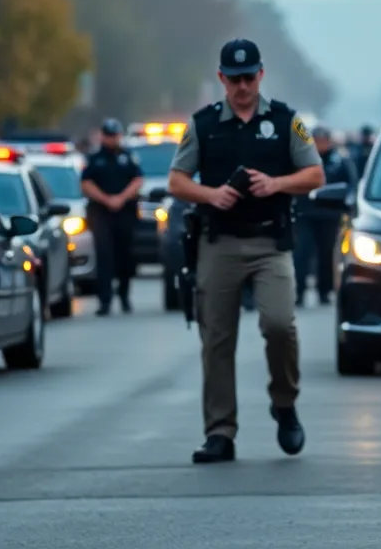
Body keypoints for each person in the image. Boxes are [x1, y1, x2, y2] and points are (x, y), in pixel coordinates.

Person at [166, 38, 326, 464]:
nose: (242, 86)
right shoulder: (203, 124)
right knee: (216, 339)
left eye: (249, 77)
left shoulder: (285, 120)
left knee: (279, 325)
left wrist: (276, 184)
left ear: (261, 74)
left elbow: (314, 174)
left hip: (269, 243)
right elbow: (177, 181)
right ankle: (220, 431)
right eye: (233, 78)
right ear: (221, 78)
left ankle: (285, 402)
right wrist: (211, 194)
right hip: (218, 242)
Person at [80, 118, 143, 315]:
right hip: (101, 213)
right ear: (102, 136)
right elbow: (86, 183)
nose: (111, 139)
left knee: (125, 255)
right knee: (104, 255)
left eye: (114, 135)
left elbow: (138, 179)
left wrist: (121, 198)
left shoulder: (128, 157)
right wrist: (107, 199)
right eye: (108, 135)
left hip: (124, 213)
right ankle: (104, 300)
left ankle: (124, 296)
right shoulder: (94, 158)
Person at [293, 125, 358, 306]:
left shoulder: (339, 161)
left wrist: (348, 206)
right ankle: (299, 291)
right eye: (317, 140)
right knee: (302, 254)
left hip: (330, 214)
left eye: (323, 140)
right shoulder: (301, 160)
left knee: (327, 255)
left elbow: (350, 186)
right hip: (305, 213)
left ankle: (325, 290)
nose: (320, 144)